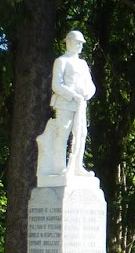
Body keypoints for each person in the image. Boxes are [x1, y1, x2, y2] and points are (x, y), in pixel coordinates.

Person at [35, 31, 97, 181]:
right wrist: (73, 95)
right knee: (63, 134)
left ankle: (77, 166)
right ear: (69, 42)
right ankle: (59, 167)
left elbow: (91, 85)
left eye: (81, 43)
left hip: (81, 104)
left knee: (81, 134)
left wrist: (87, 94)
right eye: (77, 42)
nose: (80, 46)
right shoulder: (61, 61)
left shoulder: (82, 64)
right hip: (65, 103)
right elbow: (56, 85)